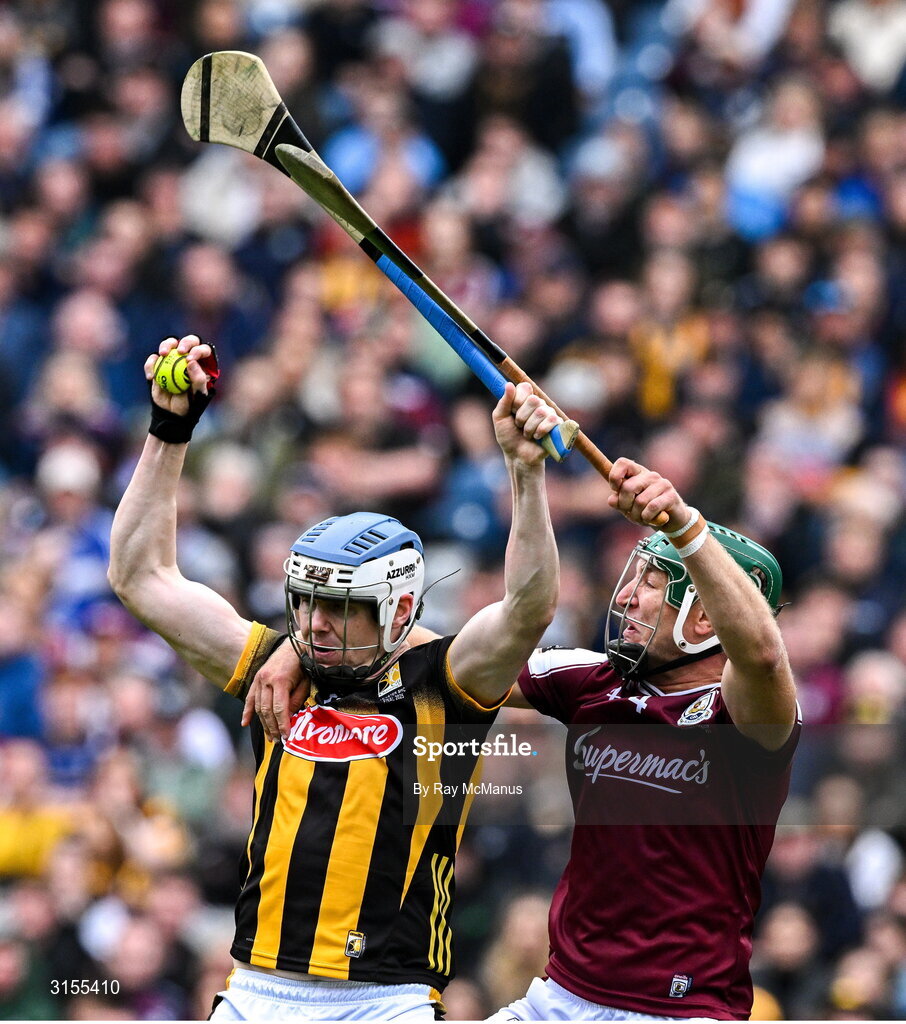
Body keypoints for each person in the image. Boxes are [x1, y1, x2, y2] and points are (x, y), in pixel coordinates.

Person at [107, 334, 562, 1021]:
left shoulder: (448, 681)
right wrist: (170, 428)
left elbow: (528, 609)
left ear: (401, 610)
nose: (316, 624)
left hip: (387, 1000)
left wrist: (524, 476)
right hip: (254, 988)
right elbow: (139, 577)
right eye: (307, 602)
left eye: (342, 608)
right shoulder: (273, 666)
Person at [252, 457, 799, 1021]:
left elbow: (759, 654)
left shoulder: (749, 716)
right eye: (634, 579)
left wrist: (686, 527)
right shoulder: (594, 679)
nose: (629, 597)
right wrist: (305, 645)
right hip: (559, 997)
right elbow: (445, 659)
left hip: (680, 1009)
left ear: (705, 619)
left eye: (653, 585)